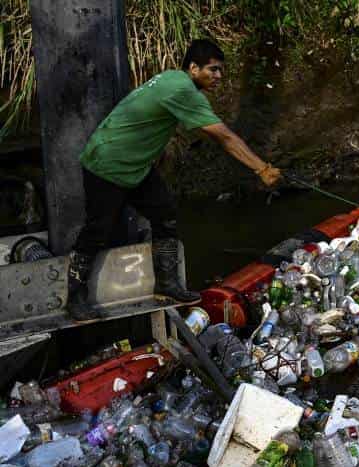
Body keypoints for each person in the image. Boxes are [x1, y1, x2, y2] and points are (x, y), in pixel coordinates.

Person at [69, 39, 283, 321]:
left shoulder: (172, 78)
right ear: (193, 68)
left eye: (221, 71)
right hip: (107, 163)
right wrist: (261, 168)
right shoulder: (183, 90)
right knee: (98, 230)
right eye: (213, 70)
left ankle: (167, 282)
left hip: (136, 166)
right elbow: (224, 137)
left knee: (165, 212)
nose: (219, 76)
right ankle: (75, 296)